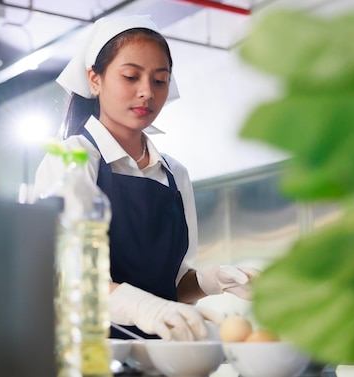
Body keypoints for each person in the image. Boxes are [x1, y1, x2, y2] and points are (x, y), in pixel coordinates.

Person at [34, 15, 258, 341]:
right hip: (90, 356)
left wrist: (213, 280)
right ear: (94, 80)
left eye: (159, 80)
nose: (146, 93)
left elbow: (173, 286)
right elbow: (67, 277)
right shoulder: (71, 159)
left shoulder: (174, 174)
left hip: (163, 359)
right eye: (130, 76)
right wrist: (146, 309)